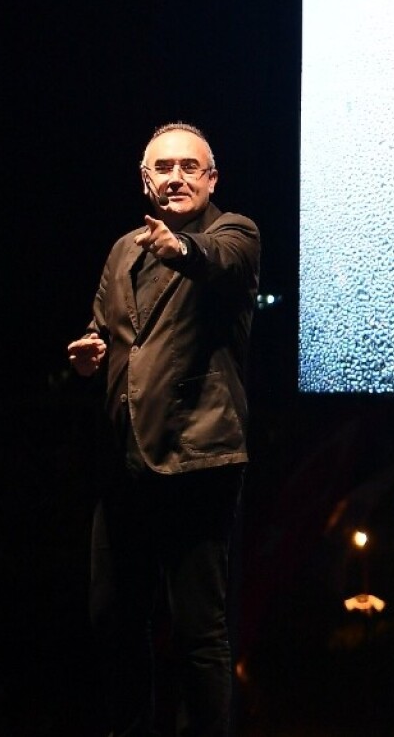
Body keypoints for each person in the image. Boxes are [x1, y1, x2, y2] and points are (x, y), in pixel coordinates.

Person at [67, 122, 261, 736]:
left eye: (188, 167)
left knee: (199, 631)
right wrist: (86, 359)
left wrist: (185, 250)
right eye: (163, 168)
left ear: (210, 178)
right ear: (145, 179)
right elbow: (104, 327)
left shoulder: (234, 232)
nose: (175, 176)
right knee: (113, 621)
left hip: (196, 459)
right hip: (125, 465)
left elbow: (221, 264)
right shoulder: (124, 249)